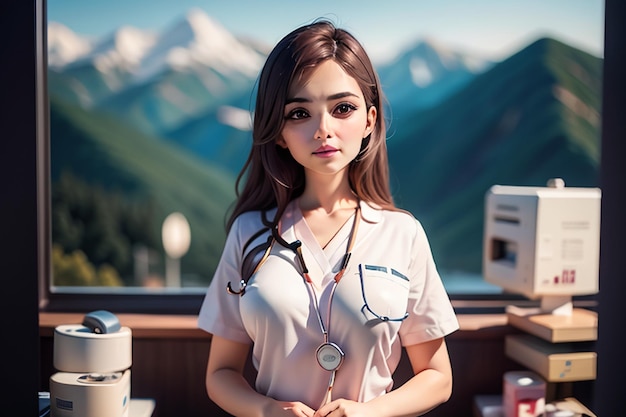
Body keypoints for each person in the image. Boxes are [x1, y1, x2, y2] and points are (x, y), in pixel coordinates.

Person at [197, 19, 459, 417]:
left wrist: (367, 413)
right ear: (279, 132)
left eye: (343, 109)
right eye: (299, 113)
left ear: (369, 120)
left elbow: (438, 376)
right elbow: (220, 373)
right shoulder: (249, 233)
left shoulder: (403, 234)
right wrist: (268, 411)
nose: (323, 130)